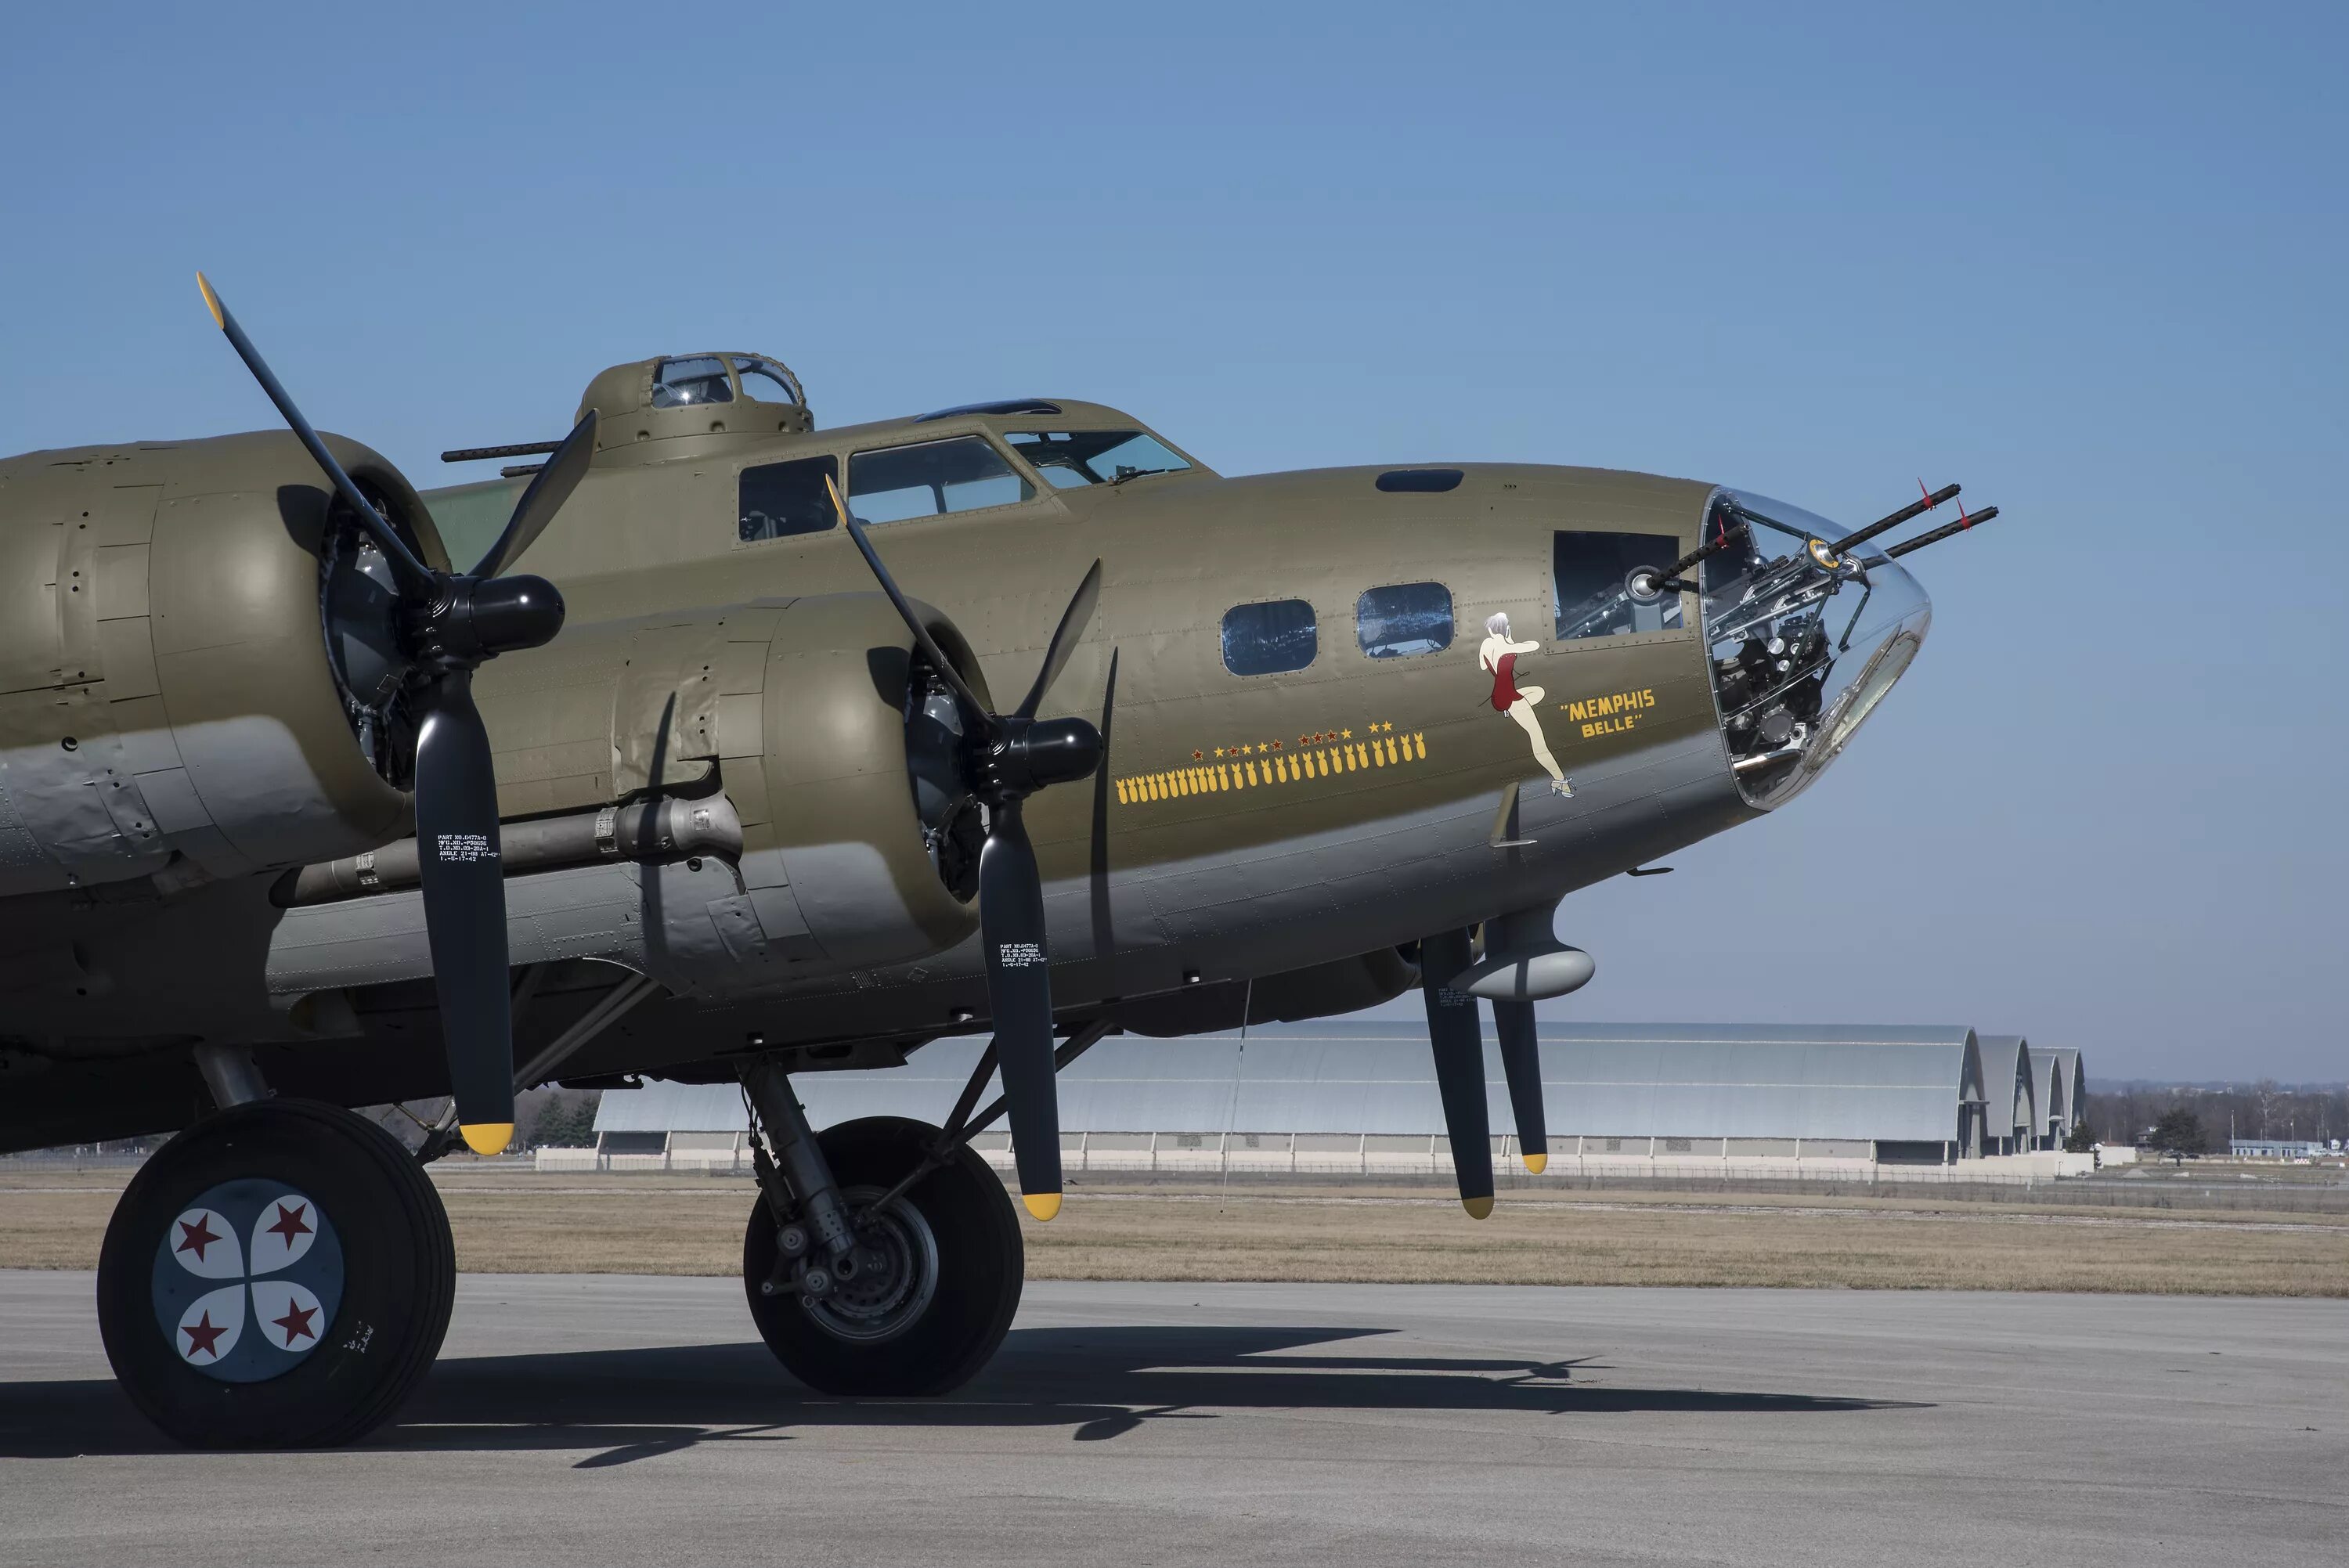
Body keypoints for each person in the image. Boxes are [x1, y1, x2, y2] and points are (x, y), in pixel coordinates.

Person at [1478, 613, 1570, 795]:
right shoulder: (1506, 646)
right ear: (1505, 629)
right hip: (1510, 698)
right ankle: (1560, 780)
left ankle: (1513, 711)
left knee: (1539, 692)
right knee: (1537, 738)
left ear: (1489, 629)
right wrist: (1510, 639)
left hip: (1501, 694)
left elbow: (1482, 666)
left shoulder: (1485, 644)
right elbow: (1534, 645)